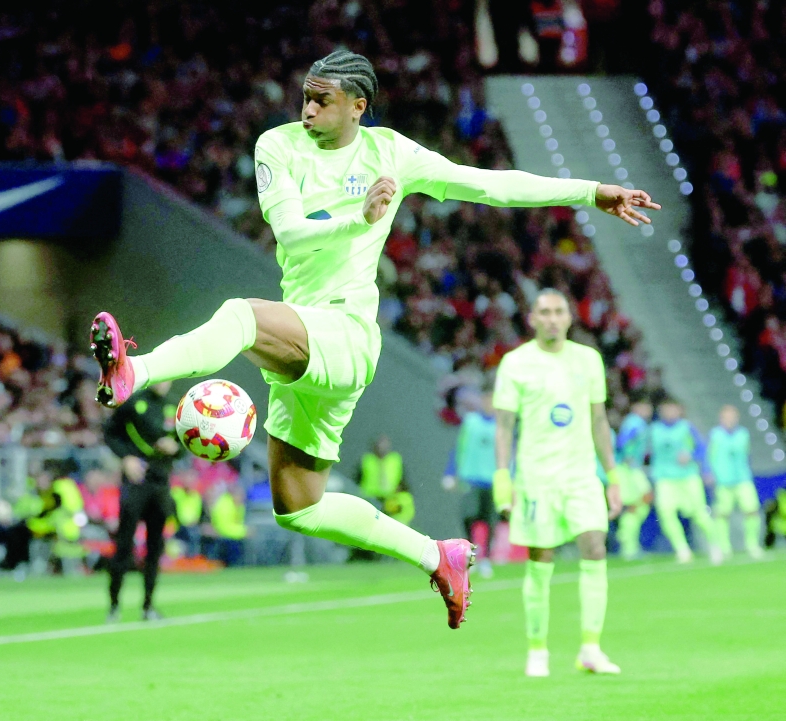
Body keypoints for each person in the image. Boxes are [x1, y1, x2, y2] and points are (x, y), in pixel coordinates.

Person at [88, 49, 660, 630]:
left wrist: (591, 191)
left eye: (322, 100)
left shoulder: (391, 153)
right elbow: (288, 230)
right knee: (299, 507)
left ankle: (135, 371)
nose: (307, 108)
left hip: (347, 333)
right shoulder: (278, 146)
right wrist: (357, 219)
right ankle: (438, 556)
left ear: (358, 106)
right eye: (305, 96)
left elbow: (488, 185)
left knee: (241, 316)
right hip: (304, 336)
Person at [493, 289, 624, 676]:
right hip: (536, 477)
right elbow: (504, 426)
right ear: (532, 319)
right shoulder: (515, 364)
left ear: (570, 317)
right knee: (541, 558)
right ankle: (537, 649)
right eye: (544, 312)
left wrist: (612, 476)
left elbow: (600, 421)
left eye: (559, 311)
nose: (552, 318)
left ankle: (590, 648)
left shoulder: (588, 360)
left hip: (581, 475)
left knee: (595, 545)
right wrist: (503, 476)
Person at [102, 381, 180, 623]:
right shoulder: (134, 402)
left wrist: (176, 447)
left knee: (155, 547)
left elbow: (188, 441)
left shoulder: (175, 407)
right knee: (124, 545)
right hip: (136, 482)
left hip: (161, 482)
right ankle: (114, 605)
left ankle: (148, 606)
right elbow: (110, 431)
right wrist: (125, 457)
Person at [650, 400, 721, 565]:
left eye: (672, 409)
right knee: (666, 514)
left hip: (687, 477)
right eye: (666, 409)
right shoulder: (654, 430)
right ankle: (682, 550)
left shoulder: (686, 428)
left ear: (679, 410)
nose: (669, 412)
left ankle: (715, 546)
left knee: (700, 514)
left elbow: (702, 449)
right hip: (665, 478)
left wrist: (697, 462)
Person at [443, 390, 498, 578]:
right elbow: (459, 447)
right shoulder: (471, 422)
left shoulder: (501, 425)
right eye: (486, 399)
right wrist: (450, 473)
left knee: (490, 521)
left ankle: (486, 560)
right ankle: (470, 557)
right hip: (470, 479)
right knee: (468, 517)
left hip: (492, 479)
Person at [708, 405, 763, 559]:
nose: (730, 420)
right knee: (722, 514)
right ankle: (724, 547)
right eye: (726, 417)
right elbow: (711, 455)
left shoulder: (743, 434)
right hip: (723, 481)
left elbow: (746, 454)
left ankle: (752, 545)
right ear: (721, 419)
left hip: (743, 478)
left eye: (732, 417)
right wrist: (712, 473)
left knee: (752, 510)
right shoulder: (716, 434)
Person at [614, 401, 654, 560]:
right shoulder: (633, 423)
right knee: (637, 503)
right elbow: (622, 441)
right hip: (628, 470)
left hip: (632, 468)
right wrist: (627, 457)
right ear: (635, 408)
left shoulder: (640, 423)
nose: (648, 410)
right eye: (644, 407)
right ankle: (626, 543)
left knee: (639, 505)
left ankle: (629, 544)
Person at [358, 435, 402, 501]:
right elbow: (358, 478)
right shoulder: (368, 459)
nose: (381, 448)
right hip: (369, 497)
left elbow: (402, 481)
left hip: (389, 499)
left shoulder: (395, 460)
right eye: (379, 445)